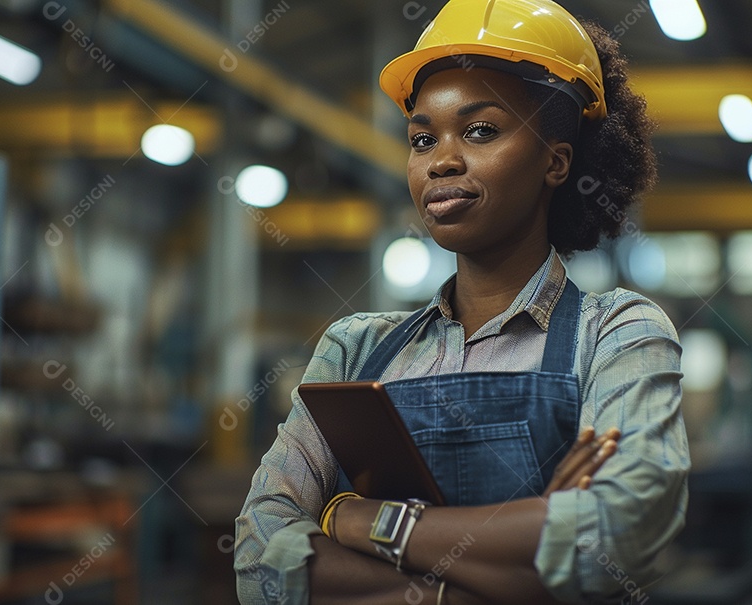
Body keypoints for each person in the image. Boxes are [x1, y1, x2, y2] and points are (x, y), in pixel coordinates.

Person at [234, 0, 689, 602]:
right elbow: (259, 558)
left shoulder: (618, 335)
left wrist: (354, 519)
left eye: (480, 130)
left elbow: (614, 543)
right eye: (422, 138)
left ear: (556, 162)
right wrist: (504, 573)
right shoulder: (354, 348)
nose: (442, 160)